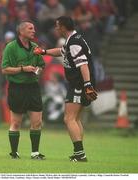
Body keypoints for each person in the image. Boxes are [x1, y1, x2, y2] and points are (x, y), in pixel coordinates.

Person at [34, 16, 97, 162]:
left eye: (57, 26)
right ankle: (79, 153)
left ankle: (80, 154)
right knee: (75, 118)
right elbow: (61, 51)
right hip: (79, 84)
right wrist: (44, 52)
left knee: (68, 118)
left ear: (63, 27)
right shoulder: (73, 39)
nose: (56, 28)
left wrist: (87, 85)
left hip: (78, 84)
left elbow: (83, 65)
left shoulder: (74, 42)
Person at [1, 21, 46, 160]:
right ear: (21, 32)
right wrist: (23, 69)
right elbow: (4, 69)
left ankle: (35, 153)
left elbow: (42, 66)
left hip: (33, 87)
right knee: (16, 123)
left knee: (37, 122)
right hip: (17, 88)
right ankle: (14, 153)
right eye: (30, 28)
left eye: (34, 28)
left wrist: (37, 71)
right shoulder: (10, 47)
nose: (34, 31)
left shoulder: (35, 47)